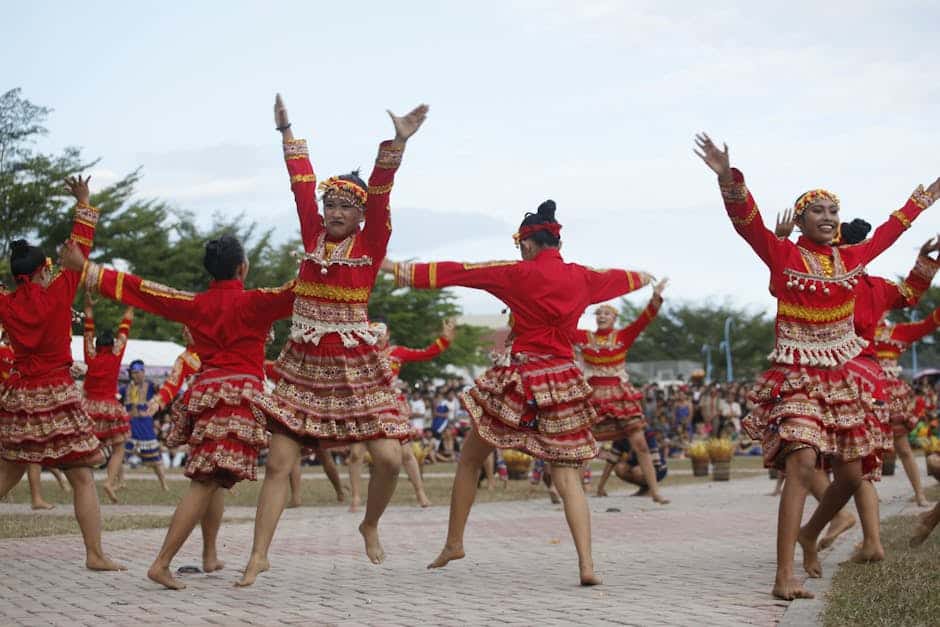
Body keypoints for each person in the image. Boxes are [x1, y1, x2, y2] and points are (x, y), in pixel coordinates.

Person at [695, 132, 938, 600]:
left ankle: (811, 533)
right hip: (798, 371)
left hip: (844, 373)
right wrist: (728, 177)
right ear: (802, 219)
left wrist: (928, 197)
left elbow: (894, 228)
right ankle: (783, 575)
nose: (827, 218)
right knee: (801, 462)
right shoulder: (785, 254)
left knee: (852, 474)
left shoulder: (853, 258)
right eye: (817, 211)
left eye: (833, 212)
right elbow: (748, 224)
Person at [385, 198, 653, 585]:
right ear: (556, 244)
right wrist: (644, 277)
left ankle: (454, 542)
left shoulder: (516, 273)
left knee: (471, 458)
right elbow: (621, 277)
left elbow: (463, 272)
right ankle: (587, 565)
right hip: (563, 381)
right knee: (567, 477)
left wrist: (401, 270)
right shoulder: (583, 277)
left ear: (527, 245)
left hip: (523, 379)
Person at [238, 95, 428, 586]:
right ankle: (259, 554)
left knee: (388, 459)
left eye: (346, 205)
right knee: (279, 461)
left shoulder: (371, 242)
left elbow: (383, 191)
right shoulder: (311, 233)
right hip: (303, 363)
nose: (334, 210)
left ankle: (369, 523)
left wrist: (397, 144)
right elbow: (300, 182)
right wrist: (286, 133)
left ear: (361, 214)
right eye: (331, 203)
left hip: (355, 364)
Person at [62, 232, 296, 590]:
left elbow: (146, 291)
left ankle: (207, 554)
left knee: (214, 480)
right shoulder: (257, 302)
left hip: (207, 395)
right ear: (243, 268)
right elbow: (303, 292)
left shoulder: (196, 304)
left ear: (209, 273)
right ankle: (162, 562)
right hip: (237, 400)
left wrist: (89, 270)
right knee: (205, 483)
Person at [0, 175, 124, 572]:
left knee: (8, 473)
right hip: (57, 393)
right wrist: (83, 200)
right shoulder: (60, 291)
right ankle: (95, 555)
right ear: (42, 270)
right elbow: (80, 246)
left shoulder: (6, 303)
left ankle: (96, 554)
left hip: (20, 398)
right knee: (82, 477)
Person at [574, 283, 668, 503]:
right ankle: (576, 495)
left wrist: (655, 298)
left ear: (614, 318)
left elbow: (643, 320)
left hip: (620, 395)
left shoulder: (624, 336)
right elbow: (563, 326)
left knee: (640, 443)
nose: (602, 316)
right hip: (593, 395)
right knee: (582, 446)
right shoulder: (584, 338)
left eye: (607, 313)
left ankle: (654, 491)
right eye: (599, 313)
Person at [350, 318, 455, 509]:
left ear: (388, 334)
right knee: (356, 454)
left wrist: (444, 340)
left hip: (391, 406)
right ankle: (356, 498)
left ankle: (420, 493)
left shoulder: (397, 352)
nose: (379, 337)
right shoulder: (362, 354)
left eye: (382, 333)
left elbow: (426, 353)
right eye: (374, 333)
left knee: (406, 453)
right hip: (365, 407)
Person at [82, 293, 134, 503]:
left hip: (89, 408)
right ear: (113, 344)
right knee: (119, 448)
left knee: (85, 450)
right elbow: (125, 329)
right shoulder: (116, 355)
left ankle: (85, 484)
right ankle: (109, 482)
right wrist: (133, 302)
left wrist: (89, 307)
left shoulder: (90, 355)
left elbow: (87, 331)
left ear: (96, 344)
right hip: (110, 407)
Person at [120, 359, 169, 490]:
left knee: (155, 458)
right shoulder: (125, 389)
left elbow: (165, 395)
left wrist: (155, 413)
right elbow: (118, 402)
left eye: (139, 372)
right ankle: (121, 482)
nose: (137, 375)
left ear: (143, 372)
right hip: (130, 425)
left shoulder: (152, 386)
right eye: (134, 372)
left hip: (145, 425)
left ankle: (164, 484)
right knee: (120, 455)